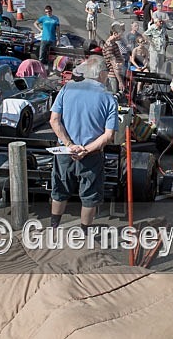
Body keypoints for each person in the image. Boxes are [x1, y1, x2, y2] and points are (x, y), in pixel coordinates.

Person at [49, 56, 118, 231]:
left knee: (60, 190)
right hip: (91, 155)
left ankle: (54, 227)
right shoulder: (109, 98)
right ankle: (84, 233)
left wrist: (69, 145)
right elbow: (109, 135)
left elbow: (54, 120)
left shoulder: (67, 88)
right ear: (102, 74)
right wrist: (84, 150)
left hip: (65, 152)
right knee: (89, 196)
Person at [34, 5, 60, 70]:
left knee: (52, 55)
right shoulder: (43, 18)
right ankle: (40, 68)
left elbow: (58, 30)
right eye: (46, 12)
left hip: (52, 39)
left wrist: (58, 39)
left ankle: (51, 68)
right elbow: (35, 23)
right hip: (44, 39)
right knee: (42, 54)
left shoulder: (55, 19)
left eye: (49, 11)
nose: (48, 13)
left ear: (51, 11)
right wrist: (40, 30)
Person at [102, 22, 126, 93]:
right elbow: (114, 65)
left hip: (118, 73)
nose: (122, 36)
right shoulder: (109, 46)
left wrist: (121, 63)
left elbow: (121, 59)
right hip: (112, 76)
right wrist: (120, 82)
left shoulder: (114, 44)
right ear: (115, 33)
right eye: (120, 34)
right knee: (113, 95)